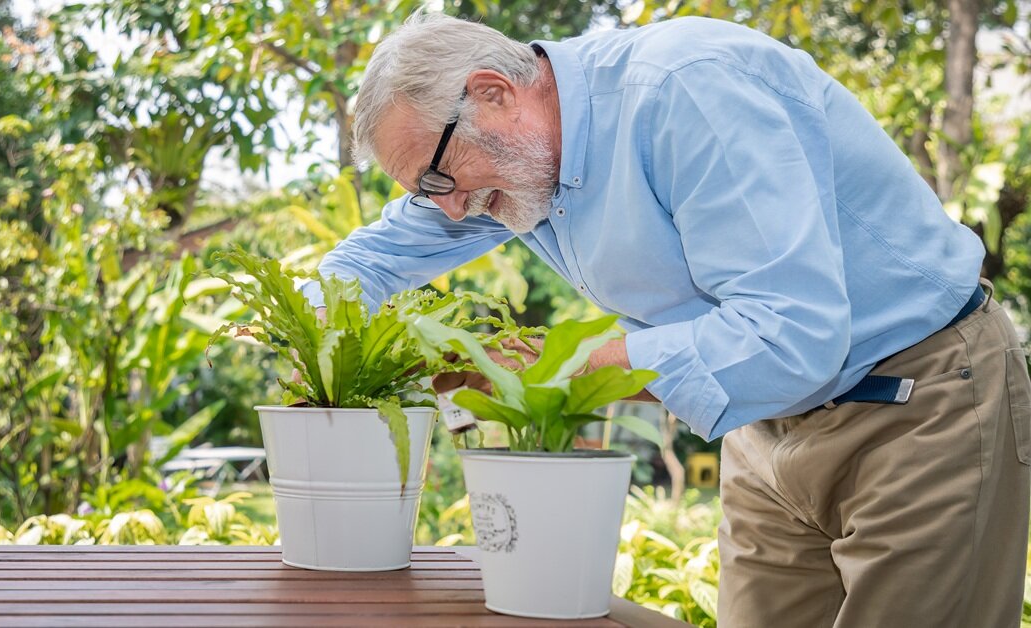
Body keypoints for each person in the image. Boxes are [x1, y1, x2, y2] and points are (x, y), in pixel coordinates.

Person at [298, 12, 1031, 628]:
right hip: (767, 428)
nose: (448, 208)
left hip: (919, 396)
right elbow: (369, 263)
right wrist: (317, 345)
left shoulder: (687, 90)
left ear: (491, 94)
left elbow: (792, 333)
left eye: (437, 178)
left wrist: (547, 367)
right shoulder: (510, 166)